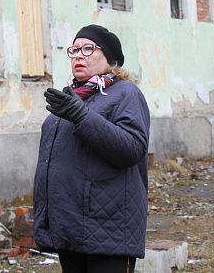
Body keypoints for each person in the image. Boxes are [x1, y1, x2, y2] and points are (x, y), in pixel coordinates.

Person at [33, 24, 150, 273]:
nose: (78, 55)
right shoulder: (71, 97)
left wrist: (82, 116)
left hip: (109, 229)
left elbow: (132, 149)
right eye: (74, 50)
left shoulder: (126, 94)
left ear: (109, 58)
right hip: (72, 228)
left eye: (87, 49)